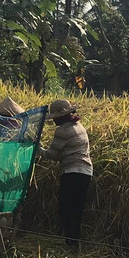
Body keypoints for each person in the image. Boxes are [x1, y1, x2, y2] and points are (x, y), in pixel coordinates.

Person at [40, 98, 92, 247]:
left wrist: (36, 147)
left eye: (55, 118)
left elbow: (52, 155)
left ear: (60, 117)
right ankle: (73, 242)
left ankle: (71, 242)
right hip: (86, 172)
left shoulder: (63, 131)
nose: (54, 121)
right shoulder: (79, 126)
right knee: (76, 209)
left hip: (72, 172)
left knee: (65, 208)